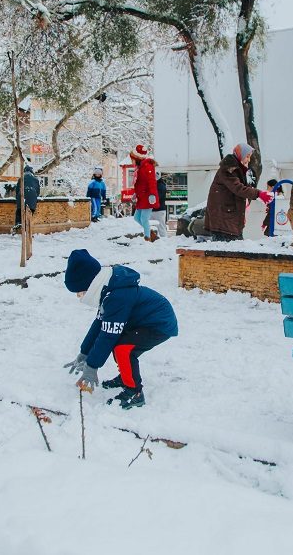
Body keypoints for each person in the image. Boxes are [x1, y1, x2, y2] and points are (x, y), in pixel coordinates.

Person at [62, 249, 178, 409]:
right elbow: (99, 325)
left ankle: (135, 392)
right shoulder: (108, 291)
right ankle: (126, 376)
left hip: (159, 323)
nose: (78, 296)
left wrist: (92, 366)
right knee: (120, 346)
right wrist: (85, 353)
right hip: (143, 321)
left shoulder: (116, 296)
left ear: (89, 285)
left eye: (79, 292)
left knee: (123, 349)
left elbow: (108, 335)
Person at [204, 143, 272, 241]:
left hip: (229, 221)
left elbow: (244, 187)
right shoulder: (228, 170)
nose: (248, 160)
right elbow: (238, 188)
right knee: (227, 252)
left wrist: (260, 195)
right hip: (223, 222)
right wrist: (259, 194)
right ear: (241, 155)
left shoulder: (236, 169)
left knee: (236, 251)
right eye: (247, 156)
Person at [130, 144, 159, 241]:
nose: (132, 161)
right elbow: (140, 183)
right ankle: (150, 233)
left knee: (144, 219)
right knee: (136, 218)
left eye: (133, 159)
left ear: (138, 158)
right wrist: (135, 193)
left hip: (147, 197)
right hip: (141, 196)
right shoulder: (140, 167)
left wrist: (152, 194)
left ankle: (147, 238)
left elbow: (152, 181)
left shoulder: (148, 166)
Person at [14, 163, 40, 229]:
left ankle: (18, 223)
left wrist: (17, 198)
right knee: (30, 211)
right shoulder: (36, 179)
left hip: (22, 196)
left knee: (19, 211)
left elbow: (17, 190)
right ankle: (27, 225)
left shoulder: (21, 178)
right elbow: (38, 191)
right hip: (32, 196)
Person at [151, 169, 168, 238]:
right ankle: (156, 242)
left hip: (159, 210)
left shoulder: (161, 185)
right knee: (153, 227)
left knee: (161, 227)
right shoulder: (153, 184)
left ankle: (164, 242)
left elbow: (157, 197)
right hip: (153, 210)